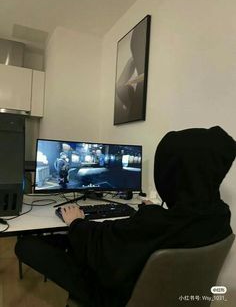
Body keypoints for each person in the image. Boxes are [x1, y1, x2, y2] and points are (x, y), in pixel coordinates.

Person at [15, 126, 235, 307]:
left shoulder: (154, 223)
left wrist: (76, 223)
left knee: (27, 246)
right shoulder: (219, 216)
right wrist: (151, 211)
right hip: (166, 294)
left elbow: (103, 247)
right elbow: (158, 231)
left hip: (117, 297)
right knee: (62, 240)